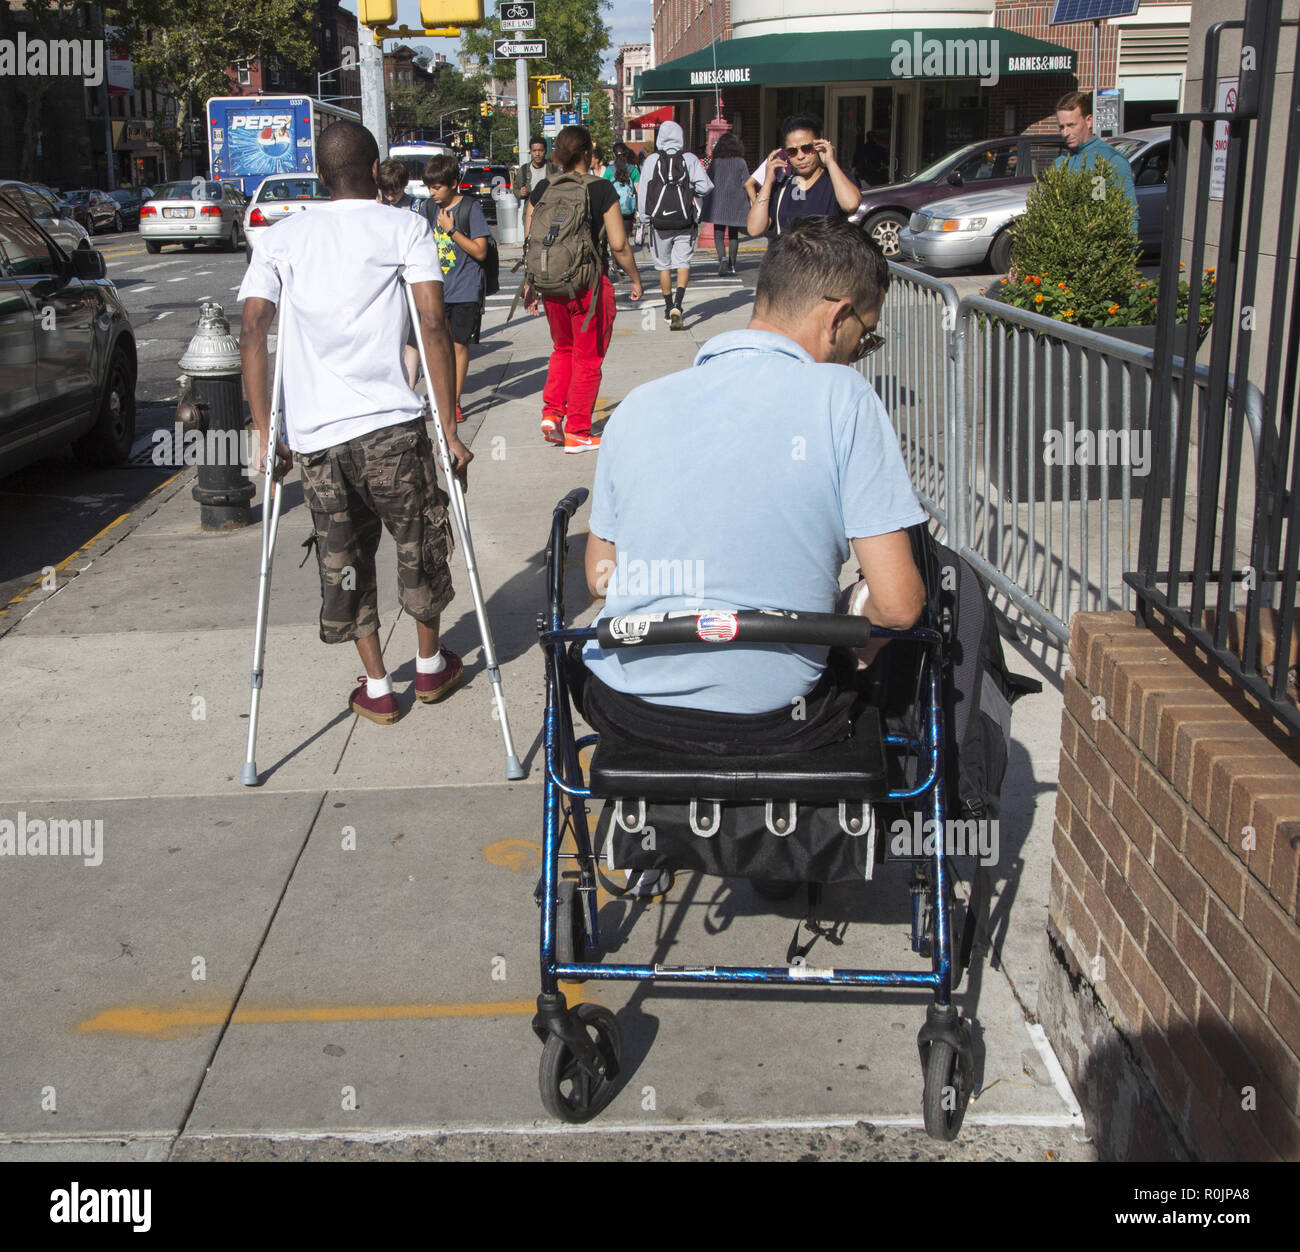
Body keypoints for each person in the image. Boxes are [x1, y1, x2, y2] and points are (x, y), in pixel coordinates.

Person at [578, 213, 926, 757]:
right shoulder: (843, 397)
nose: (859, 353)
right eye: (866, 339)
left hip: (629, 704)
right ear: (838, 317)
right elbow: (900, 607)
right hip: (774, 713)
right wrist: (849, 618)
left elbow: (601, 578)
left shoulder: (641, 404)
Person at [238, 120, 473, 726]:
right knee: (418, 544)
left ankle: (376, 685)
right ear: (375, 172)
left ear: (320, 175)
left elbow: (253, 329)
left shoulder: (280, 238)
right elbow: (433, 320)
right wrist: (448, 429)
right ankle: (427, 669)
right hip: (393, 429)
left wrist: (268, 435)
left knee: (345, 558)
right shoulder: (405, 225)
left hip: (319, 441)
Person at [523, 125, 643, 453]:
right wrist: (634, 277)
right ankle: (577, 430)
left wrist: (530, 285)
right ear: (588, 152)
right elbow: (618, 244)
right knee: (588, 357)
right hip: (589, 284)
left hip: (552, 284)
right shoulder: (602, 188)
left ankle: (552, 414)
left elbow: (531, 240)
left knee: (563, 349)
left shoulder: (544, 188)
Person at [422, 154, 490, 425]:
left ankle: (455, 402)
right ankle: (441, 398)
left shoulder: (470, 208)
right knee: (438, 347)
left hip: (465, 289)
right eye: (429, 187)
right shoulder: (427, 208)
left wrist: (451, 231)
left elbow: (480, 251)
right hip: (436, 290)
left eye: (437, 187)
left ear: (453, 183)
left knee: (459, 346)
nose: (432, 192)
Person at [636, 120, 712, 330]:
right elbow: (706, 187)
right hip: (684, 220)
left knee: (663, 266)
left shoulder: (652, 160)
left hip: (659, 223)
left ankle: (668, 307)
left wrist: (644, 218)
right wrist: (692, 192)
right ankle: (679, 305)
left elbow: (643, 192)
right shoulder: (689, 159)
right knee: (683, 263)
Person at [747, 115, 864, 240]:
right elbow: (754, 229)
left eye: (807, 148)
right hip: (788, 258)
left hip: (828, 258)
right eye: (792, 151)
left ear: (818, 145)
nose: (800, 156)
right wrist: (768, 183)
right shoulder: (782, 186)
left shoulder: (835, 179)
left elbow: (851, 204)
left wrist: (830, 162)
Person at [377, 158, 424, 388]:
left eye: (394, 190)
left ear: (404, 185)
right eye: (386, 190)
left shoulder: (416, 207)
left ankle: (410, 385)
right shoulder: (376, 208)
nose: (390, 195)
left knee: (412, 335)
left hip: (408, 277)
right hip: (384, 279)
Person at [1052, 90, 1136, 212]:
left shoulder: (1112, 160)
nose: (1065, 133)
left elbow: (1129, 214)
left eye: (1071, 125)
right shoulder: (1059, 163)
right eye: (1062, 127)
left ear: (1089, 121)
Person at [700, 131, 749, 277]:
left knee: (719, 234)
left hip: (718, 202)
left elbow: (708, 180)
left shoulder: (716, 162)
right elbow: (747, 181)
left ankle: (722, 258)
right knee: (733, 235)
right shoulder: (741, 162)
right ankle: (732, 265)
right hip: (736, 202)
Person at [603, 143, 640, 271]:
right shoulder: (633, 170)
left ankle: (616, 263)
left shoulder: (609, 170)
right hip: (628, 209)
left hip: (613, 208)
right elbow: (637, 189)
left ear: (613, 154)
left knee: (614, 238)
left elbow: (605, 189)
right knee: (625, 239)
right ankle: (625, 265)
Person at [515, 135, 554, 201]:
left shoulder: (553, 169)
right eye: (534, 151)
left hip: (549, 209)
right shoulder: (524, 170)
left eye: (540, 150)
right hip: (530, 210)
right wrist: (521, 193)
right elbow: (516, 188)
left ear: (545, 151)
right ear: (530, 152)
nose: (537, 154)